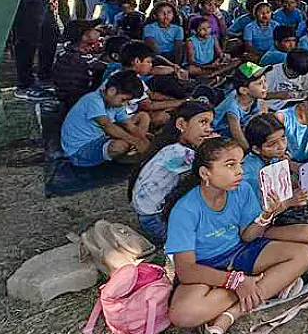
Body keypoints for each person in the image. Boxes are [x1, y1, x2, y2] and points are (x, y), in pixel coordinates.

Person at [164, 137, 308, 334]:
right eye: (230, 165)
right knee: (182, 314)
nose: (240, 171)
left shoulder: (242, 190)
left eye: (240, 164)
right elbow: (186, 271)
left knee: (303, 254)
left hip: (239, 252)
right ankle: (267, 283)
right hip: (205, 267)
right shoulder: (185, 210)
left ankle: (229, 316)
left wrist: (266, 216)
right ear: (205, 173)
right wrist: (235, 281)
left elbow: (247, 236)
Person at [130, 100, 214, 244]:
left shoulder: (169, 144)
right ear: (181, 124)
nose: (209, 129)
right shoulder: (178, 152)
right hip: (154, 219)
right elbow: (211, 165)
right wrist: (213, 145)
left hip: (147, 212)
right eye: (203, 122)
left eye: (210, 124)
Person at [61, 70, 151, 167]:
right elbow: (108, 126)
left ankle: (136, 149)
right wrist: (135, 141)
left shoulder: (117, 104)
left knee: (143, 116)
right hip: (79, 151)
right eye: (123, 99)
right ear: (111, 91)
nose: (124, 104)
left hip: (100, 138)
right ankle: (127, 155)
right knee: (119, 146)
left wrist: (142, 140)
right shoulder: (93, 100)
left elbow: (129, 125)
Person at [50, 18, 108, 109]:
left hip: (66, 95)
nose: (98, 31)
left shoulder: (69, 49)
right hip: (77, 100)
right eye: (93, 29)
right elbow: (101, 67)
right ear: (84, 37)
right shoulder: (79, 60)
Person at [212, 62, 269, 147]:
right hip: (220, 134)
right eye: (260, 83)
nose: (265, 86)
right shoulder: (232, 109)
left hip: (241, 126)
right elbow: (238, 137)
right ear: (244, 90)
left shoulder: (256, 98)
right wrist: (249, 151)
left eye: (265, 81)